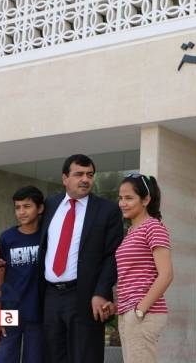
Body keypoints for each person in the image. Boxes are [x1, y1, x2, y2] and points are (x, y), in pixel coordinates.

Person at [37, 154, 123, 363]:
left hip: (85, 296)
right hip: (50, 296)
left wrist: (101, 292)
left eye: (90, 175)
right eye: (79, 174)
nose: (85, 179)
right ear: (65, 178)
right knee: (52, 356)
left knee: (86, 356)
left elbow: (113, 255)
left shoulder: (108, 210)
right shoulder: (51, 204)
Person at [115, 174, 173, 363]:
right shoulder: (131, 231)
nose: (122, 203)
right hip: (128, 312)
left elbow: (166, 275)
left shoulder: (153, 227)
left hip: (142, 313)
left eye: (129, 198)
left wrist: (140, 310)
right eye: (121, 198)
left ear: (146, 200)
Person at [0, 186, 45, 363]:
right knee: (4, 358)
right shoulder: (7, 238)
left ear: (40, 208)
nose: (21, 212)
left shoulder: (47, 237)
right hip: (10, 311)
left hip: (38, 312)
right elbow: (0, 277)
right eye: (17, 207)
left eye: (27, 206)